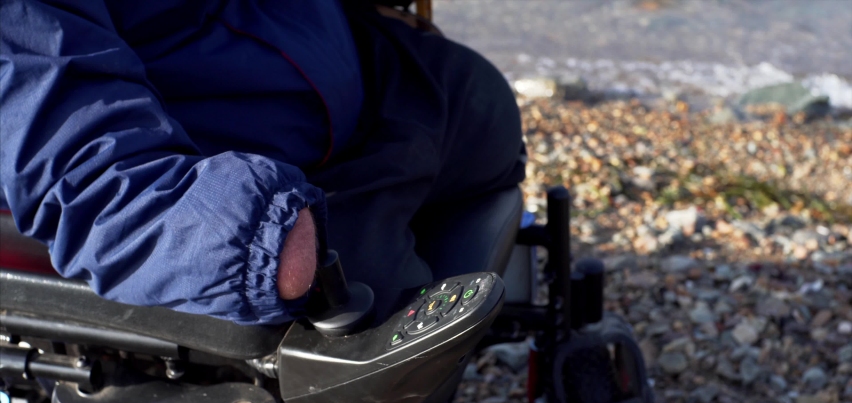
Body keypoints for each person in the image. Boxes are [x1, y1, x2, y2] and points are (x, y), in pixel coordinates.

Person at [0, 0, 525, 325]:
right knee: (387, 346)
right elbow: (85, 176)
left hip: (351, 65)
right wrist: (254, 241)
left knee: (484, 110)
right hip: (274, 191)